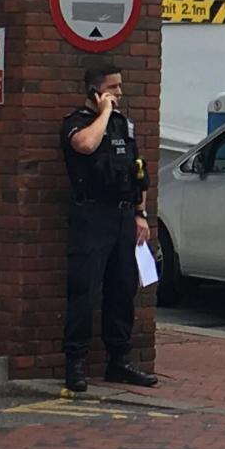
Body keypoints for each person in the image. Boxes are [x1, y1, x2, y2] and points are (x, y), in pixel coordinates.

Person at [60, 62, 160, 393]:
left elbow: (137, 170)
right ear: (95, 91)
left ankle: (120, 360)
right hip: (91, 216)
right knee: (84, 290)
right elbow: (86, 147)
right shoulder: (77, 124)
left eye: (119, 87)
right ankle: (75, 362)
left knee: (122, 289)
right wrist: (103, 112)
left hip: (122, 217)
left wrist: (140, 213)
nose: (119, 93)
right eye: (113, 88)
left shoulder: (122, 126)